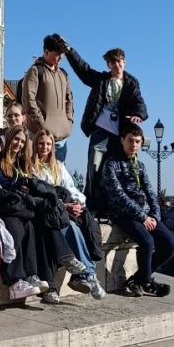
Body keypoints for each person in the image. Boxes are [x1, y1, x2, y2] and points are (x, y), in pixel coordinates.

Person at [0, 125, 84, 304]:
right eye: (16, 139)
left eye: (22, 141)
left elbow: (29, 186)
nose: (18, 144)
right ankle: (16, 280)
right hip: (7, 208)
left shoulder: (21, 163)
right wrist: (18, 190)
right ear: (8, 139)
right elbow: (0, 187)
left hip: (23, 207)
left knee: (40, 227)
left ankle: (37, 277)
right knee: (17, 230)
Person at [58, 41, 148, 211]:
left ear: (124, 62)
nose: (117, 65)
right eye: (113, 62)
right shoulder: (101, 80)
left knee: (116, 171)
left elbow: (139, 101)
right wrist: (70, 52)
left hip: (119, 135)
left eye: (119, 61)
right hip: (100, 132)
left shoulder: (131, 83)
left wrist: (138, 114)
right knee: (94, 168)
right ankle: (92, 206)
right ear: (108, 65)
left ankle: (114, 206)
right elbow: (84, 70)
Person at [31, 128, 105, 300]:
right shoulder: (31, 166)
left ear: (52, 146)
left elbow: (71, 188)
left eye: (48, 144)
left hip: (62, 211)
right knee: (64, 227)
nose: (44, 147)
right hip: (44, 211)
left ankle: (88, 274)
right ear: (35, 145)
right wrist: (63, 206)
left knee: (72, 225)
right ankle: (86, 273)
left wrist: (78, 203)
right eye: (41, 144)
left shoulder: (58, 166)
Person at [100, 122, 173, 297]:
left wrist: (155, 215)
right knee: (147, 242)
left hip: (146, 214)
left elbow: (149, 191)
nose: (134, 145)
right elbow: (118, 196)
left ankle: (139, 279)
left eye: (138, 141)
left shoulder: (140, 165)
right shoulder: (111, 164)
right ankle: (146, 282)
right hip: (123, 214)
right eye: (130, 141)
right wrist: (142, 217)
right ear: (122, 140)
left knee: (171, 245)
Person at [21, 35, 74, 162]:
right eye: (57, 54)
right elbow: (28, 100)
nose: (60, 57)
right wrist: (42, 124)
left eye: (62, 54)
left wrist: (69, 121)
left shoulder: (64, 74)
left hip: (61, 137)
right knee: (38, 169)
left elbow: (69, 100)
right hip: (40, 136)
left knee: (58, 171)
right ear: (46, 52)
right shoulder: (35, 71)